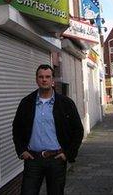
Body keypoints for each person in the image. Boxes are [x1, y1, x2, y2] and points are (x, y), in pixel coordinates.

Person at [12, 64, 84, 195]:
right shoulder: (26, 103)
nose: (44, 79)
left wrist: (68, 154)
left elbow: (78, 130)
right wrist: (21, 150)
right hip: (33, 160)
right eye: (41, 77)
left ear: (52, 80)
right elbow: (17, 128)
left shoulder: (66, 103)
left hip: (56, 159)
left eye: (47, 77)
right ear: (36, 79)